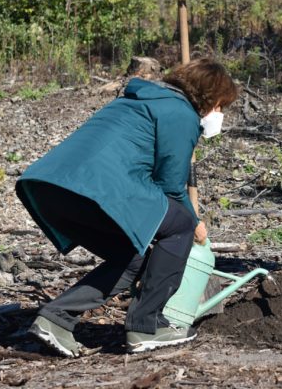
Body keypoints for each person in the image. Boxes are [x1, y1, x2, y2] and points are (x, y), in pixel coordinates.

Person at [16, 58, 238, 356]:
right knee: (181, 224)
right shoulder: (180, 113)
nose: (220, 114)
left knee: (132, 256)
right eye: (221, 105)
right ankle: (147, 326)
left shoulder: (137, 100)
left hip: (49, 187)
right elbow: (171, 187)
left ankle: (56, 318)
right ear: (210, 96)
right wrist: (195, 221)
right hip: (95, 188)